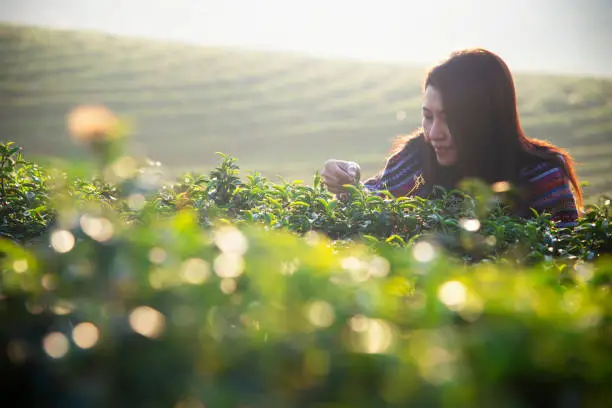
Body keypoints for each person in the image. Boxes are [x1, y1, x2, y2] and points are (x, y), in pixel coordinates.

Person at [321, 48, 583, 228]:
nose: (434, 134)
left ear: (486, 119)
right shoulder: (416, 161)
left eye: (451, 119)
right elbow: (369, 203)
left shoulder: (541, 176)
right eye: (428, 116)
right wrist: (349, 178)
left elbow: (564, 264)